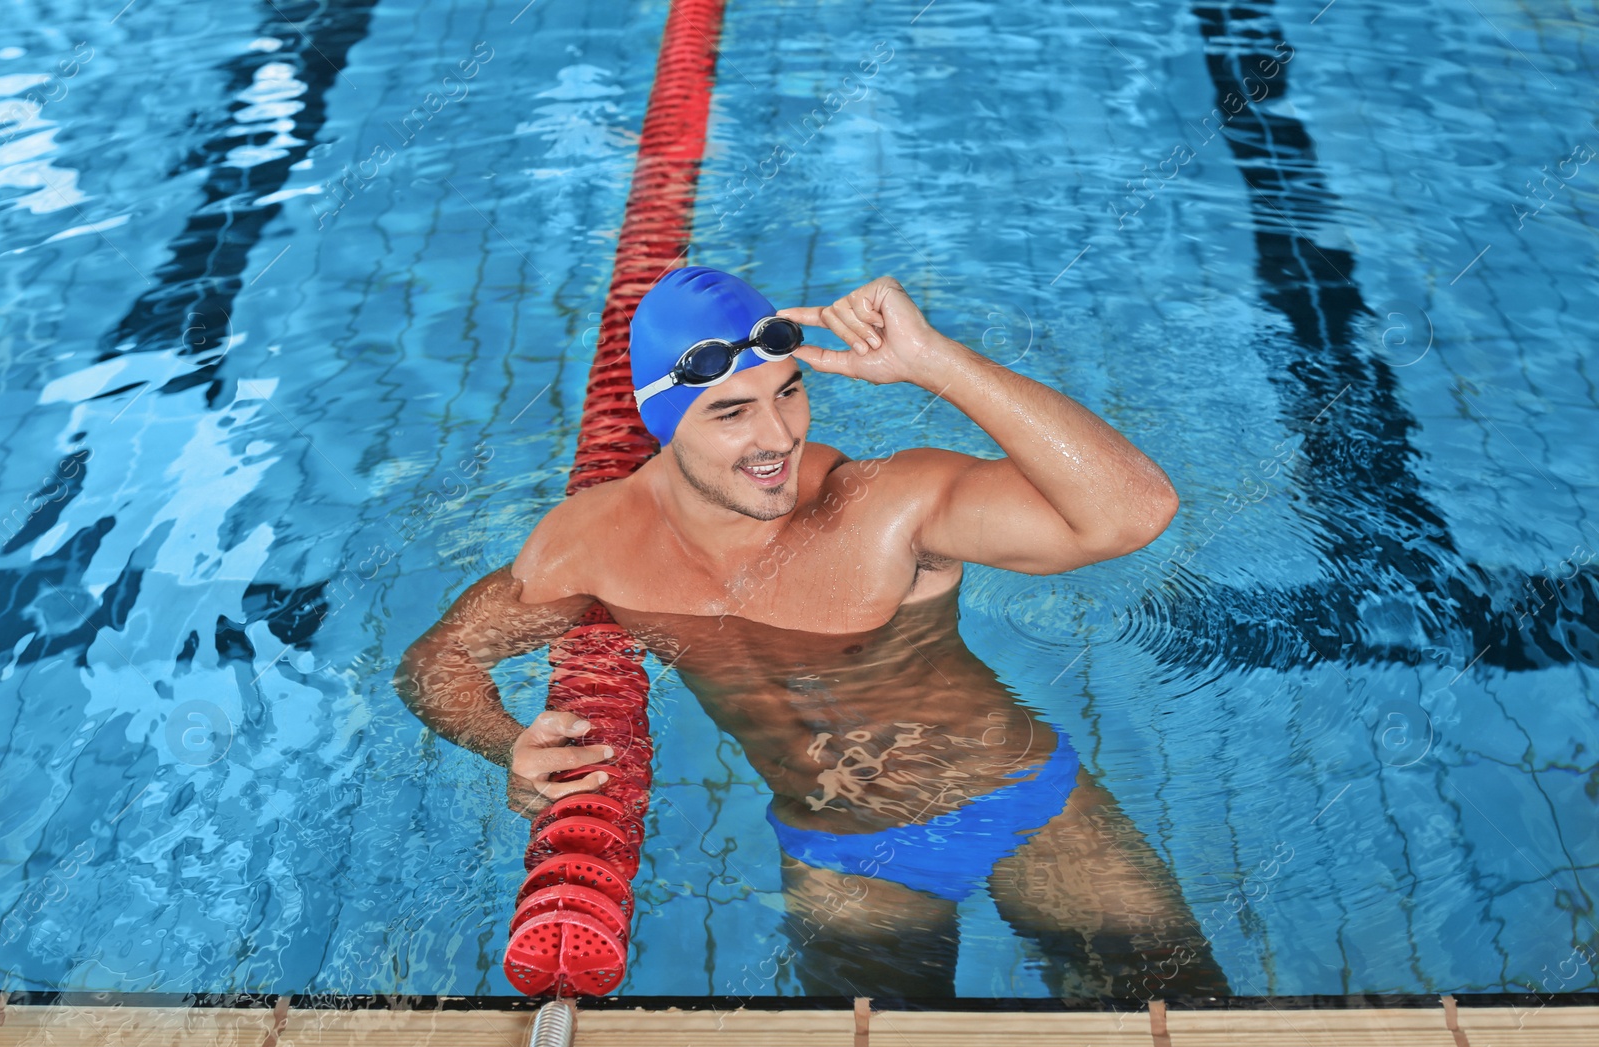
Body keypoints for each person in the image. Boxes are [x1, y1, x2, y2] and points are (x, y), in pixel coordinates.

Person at [392, 266, 1228, 997]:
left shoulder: (885, 504)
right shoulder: (593, 543)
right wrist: (507, 742)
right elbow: (438, 660)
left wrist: (939, 363)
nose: (777, 438)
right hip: (839, 854)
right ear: (663, 421)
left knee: (1183, 1025)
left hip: (1024, 808)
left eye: (788, 391)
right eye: (730, 413)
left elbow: (1133, 512)